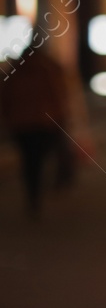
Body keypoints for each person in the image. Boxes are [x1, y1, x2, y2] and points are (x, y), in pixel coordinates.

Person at [0, 48, 70, 219]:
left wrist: (9, 119)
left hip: (22, 124)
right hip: (42, 123)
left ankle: (33, 193)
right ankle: (36, 193)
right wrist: (60, 117)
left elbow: (5, 97)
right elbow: (58, 95)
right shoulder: (47, 70)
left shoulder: (15, 72)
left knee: (29, 161)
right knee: (38, 159)